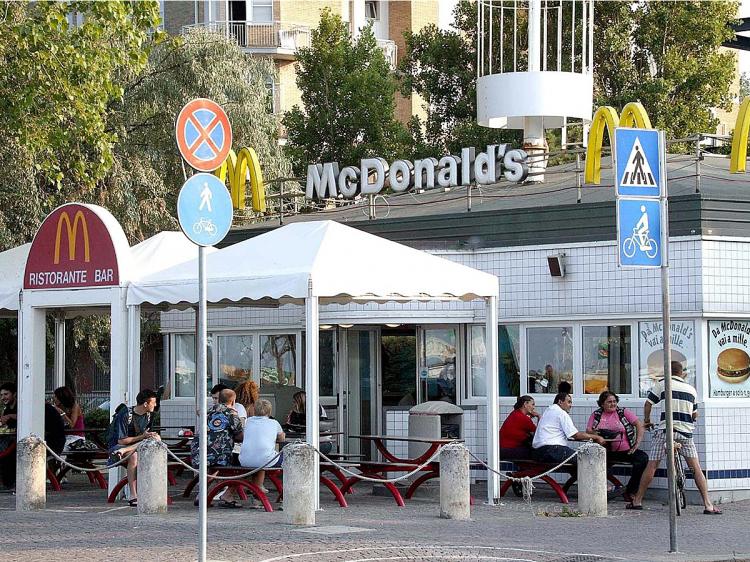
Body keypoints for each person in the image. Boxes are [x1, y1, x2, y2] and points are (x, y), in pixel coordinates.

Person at [628, 361, 721, 514]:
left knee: (652, 465)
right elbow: (695, 414)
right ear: (681, 372)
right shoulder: (691, 389)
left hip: (666, 432)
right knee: (696, 468)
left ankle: (637, 501)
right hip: (685, 434)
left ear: (667, 371)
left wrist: (646, 420)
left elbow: (648, 404)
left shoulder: (662, 384)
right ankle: (708, 505)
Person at [586, 391, 647, 502]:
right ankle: (605, 490)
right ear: (602, 404)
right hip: (605, 451)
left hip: (625, 451)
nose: (613, 404)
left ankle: (630, 490)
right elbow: (589, 430)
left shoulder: (623, 412)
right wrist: (597, 436)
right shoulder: (596, 415)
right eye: (609, 402)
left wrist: (637, 443)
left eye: (614, 401)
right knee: (594, 462)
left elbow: (639, 424)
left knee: (642, 459)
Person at [191, 389, 243, 508]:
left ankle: (201, 495)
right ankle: (227, 495)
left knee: (212, 470)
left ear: (219, 399)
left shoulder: (207, 411)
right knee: (239, 466)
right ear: (233, 400)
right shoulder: (231, 413)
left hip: (198, 452)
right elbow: (239, 434)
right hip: (218, 453)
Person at [108, 389, 160, 507]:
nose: (155, 405)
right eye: (154, 402)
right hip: (118, 447)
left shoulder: (149, 415)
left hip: (136, 445)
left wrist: (149, 436)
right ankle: (133, 494)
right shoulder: (126, 413)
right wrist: (143, 437)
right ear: (146, 404)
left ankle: (152, 490)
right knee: (134, 456)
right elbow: (121, 440)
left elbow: (147, 435)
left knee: (156, 440)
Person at [532, 392, 605, 464]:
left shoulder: (548, 411)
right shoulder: (561, 413)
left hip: (538, 452)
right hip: (553, 450)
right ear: (560, 402)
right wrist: (597, 437)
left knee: (576, 465)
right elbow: (576, 435)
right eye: (569, 402)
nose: (570, 405)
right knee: (585, 461)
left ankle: (575, 476)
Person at [239, 399, 285, 490]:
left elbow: (243, 435)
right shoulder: (274, 423)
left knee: (261, 455)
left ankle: (258, 487)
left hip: (244, 460)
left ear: (254, 410)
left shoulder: (248, 421)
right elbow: (281, 438)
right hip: (266, 460)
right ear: (270, 411)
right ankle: (288, 489)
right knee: (285, 458)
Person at [500, 395, 539, 460]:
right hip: (509, 450)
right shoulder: (523, 418)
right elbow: (538, 434)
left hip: (501, 450)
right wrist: (539, 416)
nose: (533, 407)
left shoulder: (515, 413)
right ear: (525, 404)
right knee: (537, 454)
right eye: (532, 404)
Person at [0, 382, 18, 489]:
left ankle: (9, 483)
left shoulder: (21, 406)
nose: (3, 397)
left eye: (6, 394)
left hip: (17, 441)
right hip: (9, 438)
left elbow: (24, 416)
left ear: (14, 394)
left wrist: (10, 416)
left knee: (7, 455)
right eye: (1, 395)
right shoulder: (6, 409)